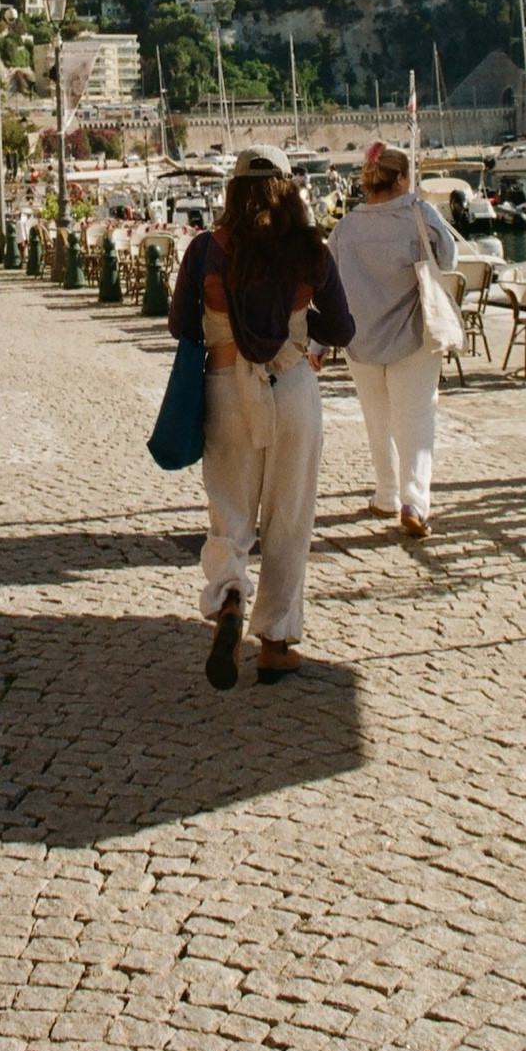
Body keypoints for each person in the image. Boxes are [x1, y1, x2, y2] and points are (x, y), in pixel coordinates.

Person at [169, 145, 354, 692]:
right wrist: (299, 317)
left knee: (229, 511)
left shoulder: (206, 250)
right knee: (289, 514)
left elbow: (182, 325)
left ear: (234, 192)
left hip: (227, 387)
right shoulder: (310, 252)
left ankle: (228, 598)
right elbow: (343, 329)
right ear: (289, 190)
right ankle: (274, 644)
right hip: (293, 386)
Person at [327, 143, 457, 540]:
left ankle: (385, 492)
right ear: (401, 178)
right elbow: (448, 259)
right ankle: (414, 501)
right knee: (416, 417)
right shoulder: (418, 213)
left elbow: (329, 284)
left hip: (360, 336)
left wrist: (319, 345)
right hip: (414, 334)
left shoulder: (346, 227)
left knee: (376, 418)